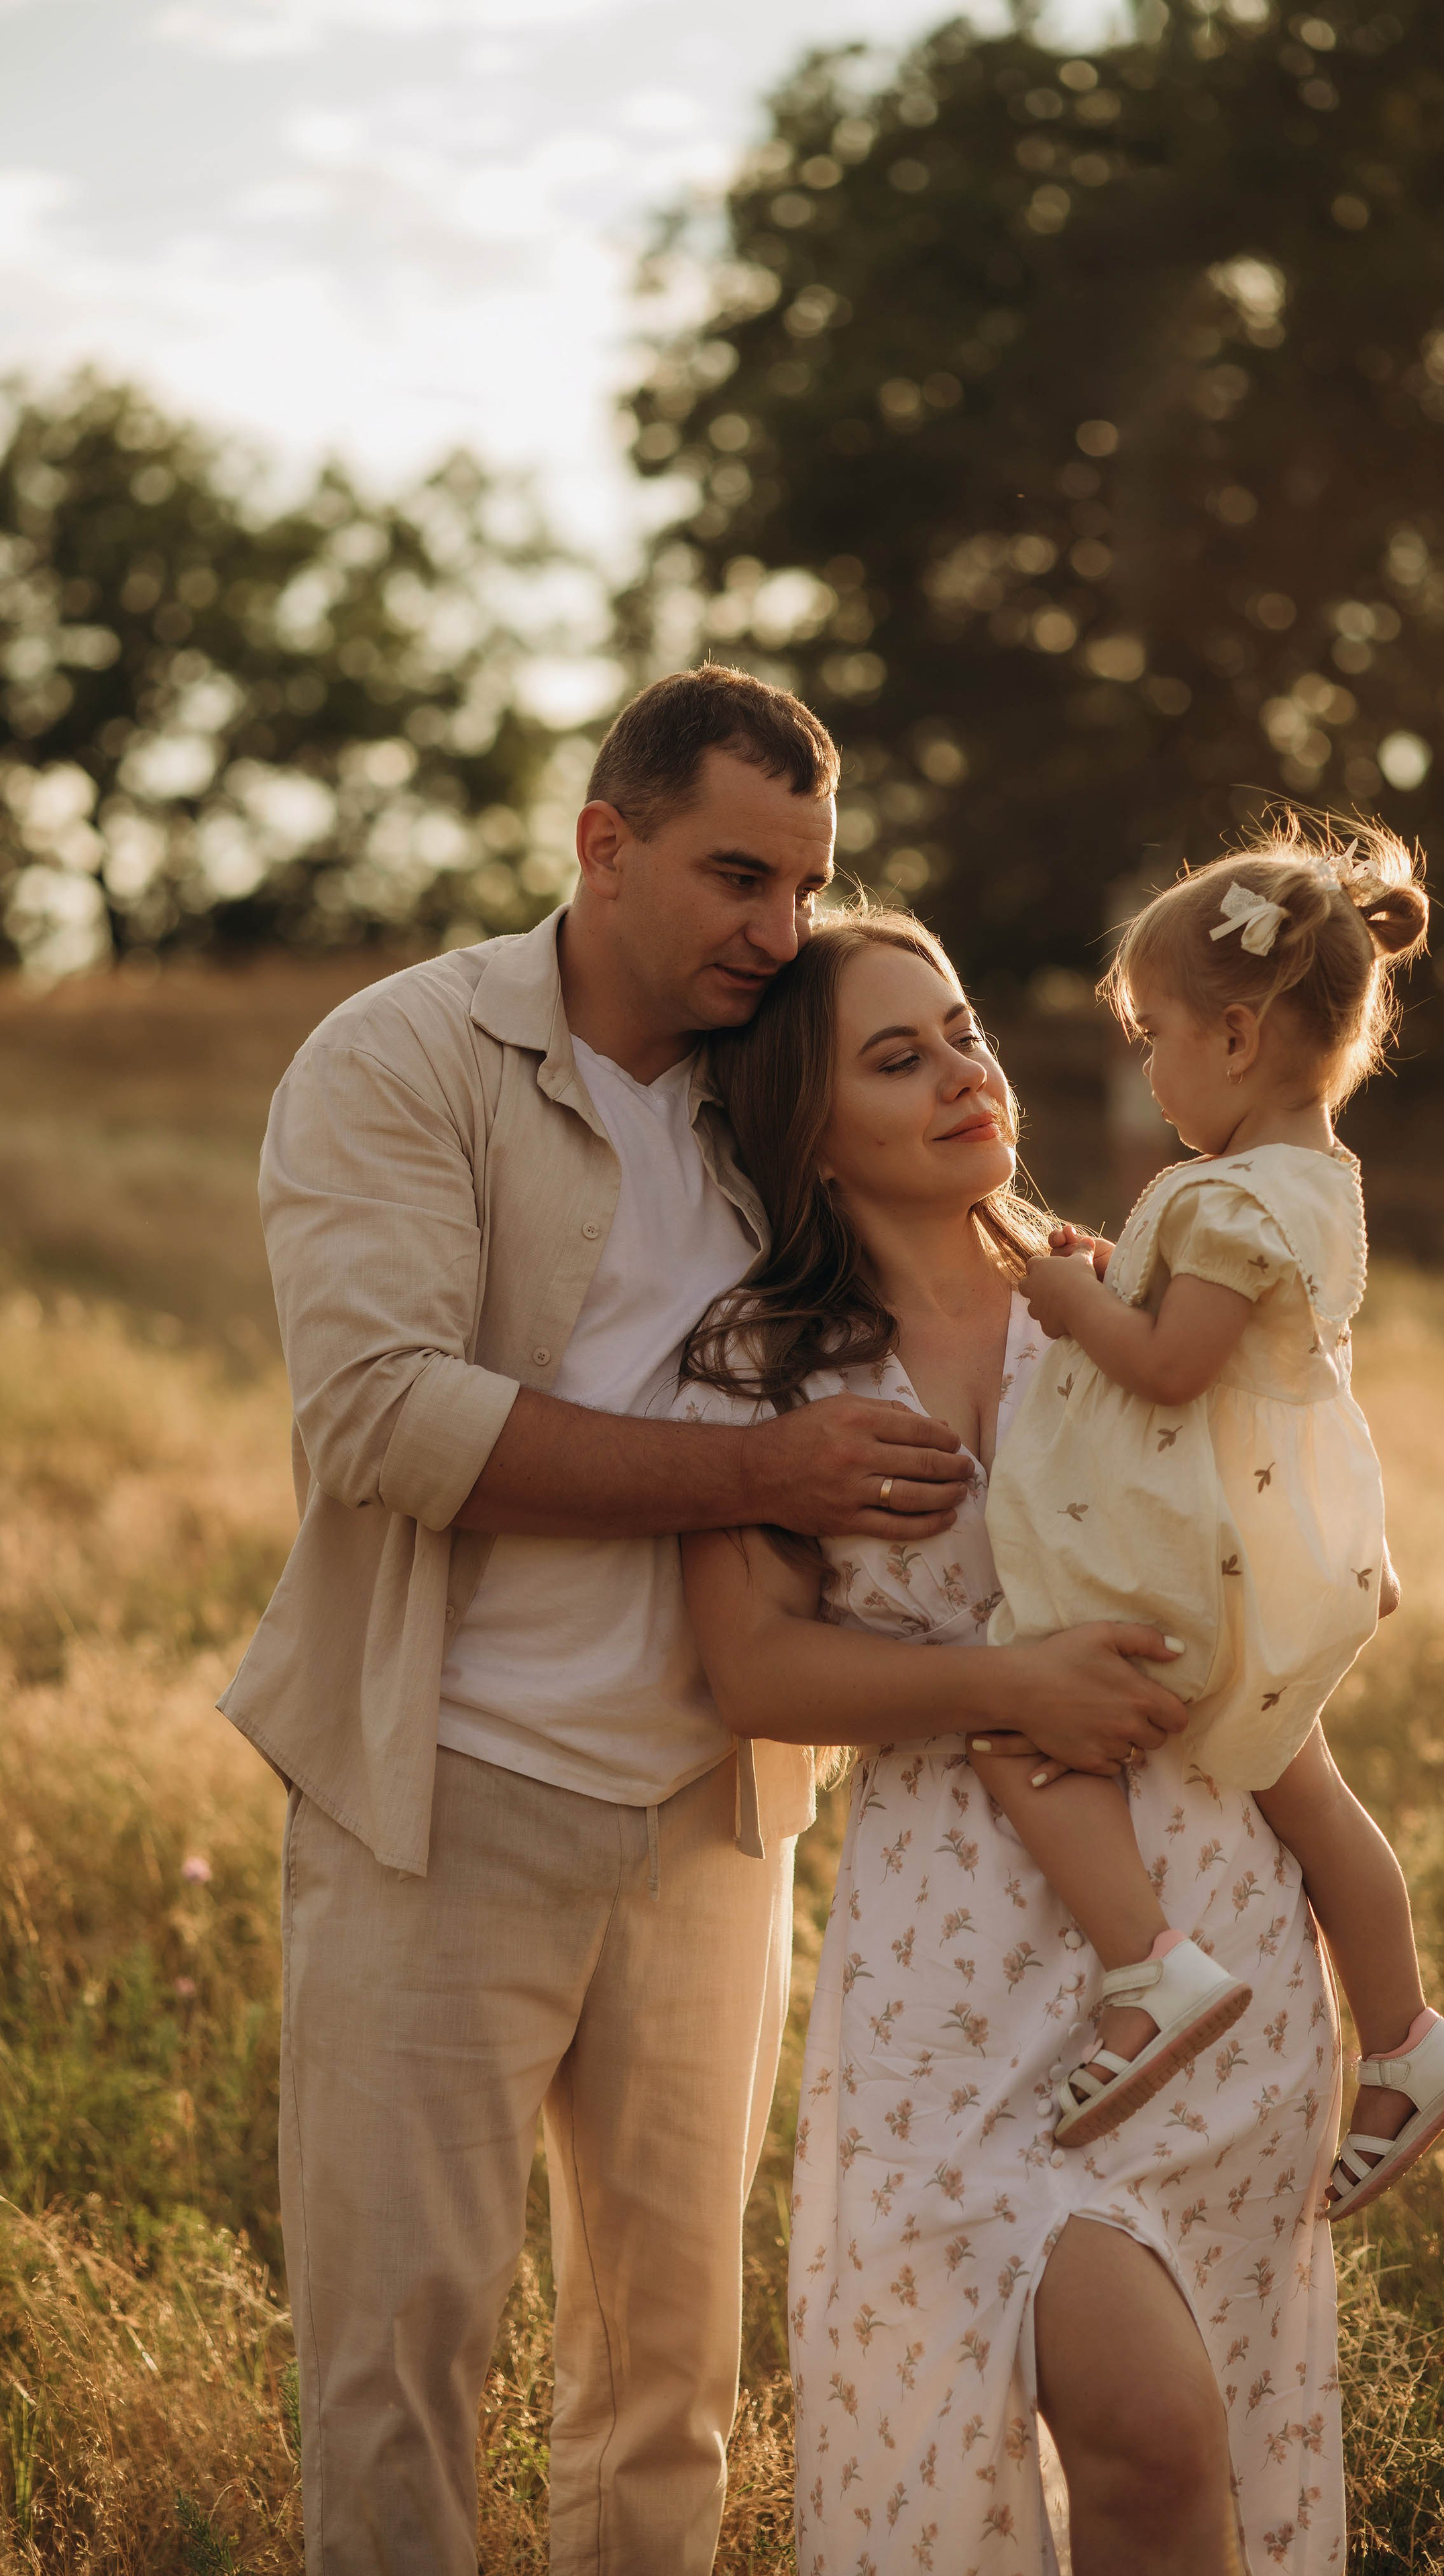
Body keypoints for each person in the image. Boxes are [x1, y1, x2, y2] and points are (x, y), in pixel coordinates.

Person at [219, 665, 999, 2575]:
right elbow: (384, 1419)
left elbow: (959, 1241)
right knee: (398, 2360)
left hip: (714, 1810)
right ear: (604, 844)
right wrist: (764, 1472)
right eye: (739, 877)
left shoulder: (771, 1087)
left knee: (669, 2379)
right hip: (441, 1792)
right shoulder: (401, 1059)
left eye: (805, 885)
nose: (781, 931)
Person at [678, 910, 1345, 2575]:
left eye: (963, 1034)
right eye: (896, 1059)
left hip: (1200, 1921)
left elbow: (1288, 1535)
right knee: (1143, 2420)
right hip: (953, 1966)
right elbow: (751, 1671)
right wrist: (1007, 1684)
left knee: (1185, 2452)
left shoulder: (1119, 1296)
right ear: (807, 1130)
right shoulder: (761, 1363)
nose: (962, 1074)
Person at [981, 822, 1444, 2212]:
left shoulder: (1229, 1198)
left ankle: (1147, 1965)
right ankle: (1404, 2033)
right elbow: (1222, 1339)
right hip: (1260, 1548)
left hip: (1188, 1549)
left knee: (1021, 1713)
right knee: (1302, 1783)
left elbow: (1167, 1367)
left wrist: (1071, 1303)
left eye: (1152, 1036)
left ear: (1236, 1033)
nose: (1148, 1069)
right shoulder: (1312, 1188)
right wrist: (1115, 1273)